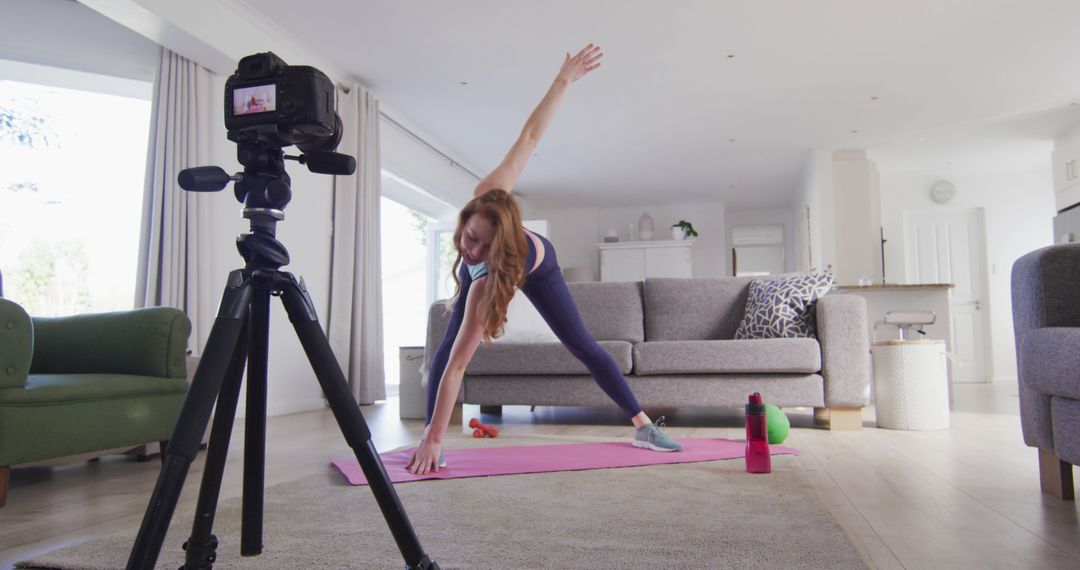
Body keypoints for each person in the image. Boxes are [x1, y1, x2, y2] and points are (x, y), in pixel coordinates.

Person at [406, 44, 682, 476]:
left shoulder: (492, 275)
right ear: (468, 218)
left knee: (582, 346)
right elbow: (530, 137)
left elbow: (464, 363)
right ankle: (429, 433)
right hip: (494, 269)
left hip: (536, 267)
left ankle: (642, 425)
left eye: (483, 248)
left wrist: (485, 265)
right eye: (469, 238)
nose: (471, 251)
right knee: (447, 344)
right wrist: (563, 80)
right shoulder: (488, 196)